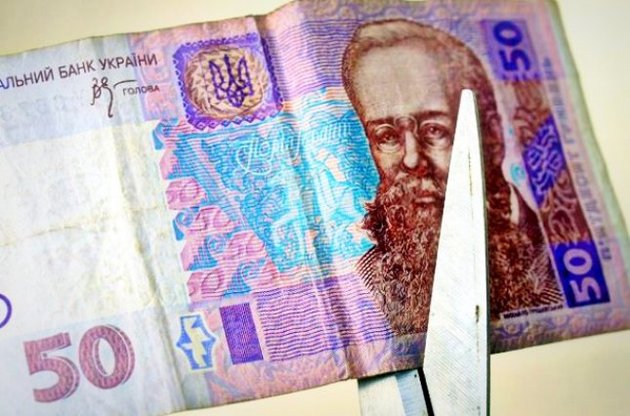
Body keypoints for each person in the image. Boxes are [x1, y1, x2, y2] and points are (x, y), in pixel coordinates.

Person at [342, 19, 562, 335]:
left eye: (434, 130)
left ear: (492, 135)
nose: (412, 158)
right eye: (386, 136)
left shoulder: (560, 272)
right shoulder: (364, 284)